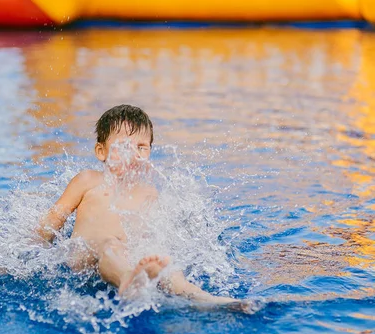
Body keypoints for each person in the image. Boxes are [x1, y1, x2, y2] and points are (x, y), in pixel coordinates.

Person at [37, 104, 243, 306]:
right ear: (101, 151)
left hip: (126, 258)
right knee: (110, 244)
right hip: (87, 256)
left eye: (142, 147)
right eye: (124, 146)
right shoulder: (88, 180)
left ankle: (204, 299)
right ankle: (127, 279)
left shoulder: (149, 192)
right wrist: (29, 255)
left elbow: (157, 231)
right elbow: (52, 221)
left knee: (166, 264)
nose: (134, 154)